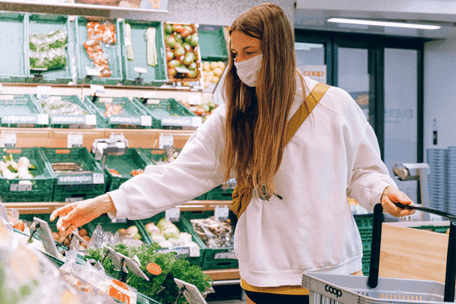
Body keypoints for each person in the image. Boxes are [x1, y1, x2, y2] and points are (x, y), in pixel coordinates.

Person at [51, 3, 415, 304]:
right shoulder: (233, 116)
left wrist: (382, 193)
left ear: (278, 50)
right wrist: (107, 202)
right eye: (235, 54)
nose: (240, 64)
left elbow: (364, 171)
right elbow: (181, 175)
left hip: (333, 272)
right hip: (264, 274)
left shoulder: (334, 106)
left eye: (250, 53)